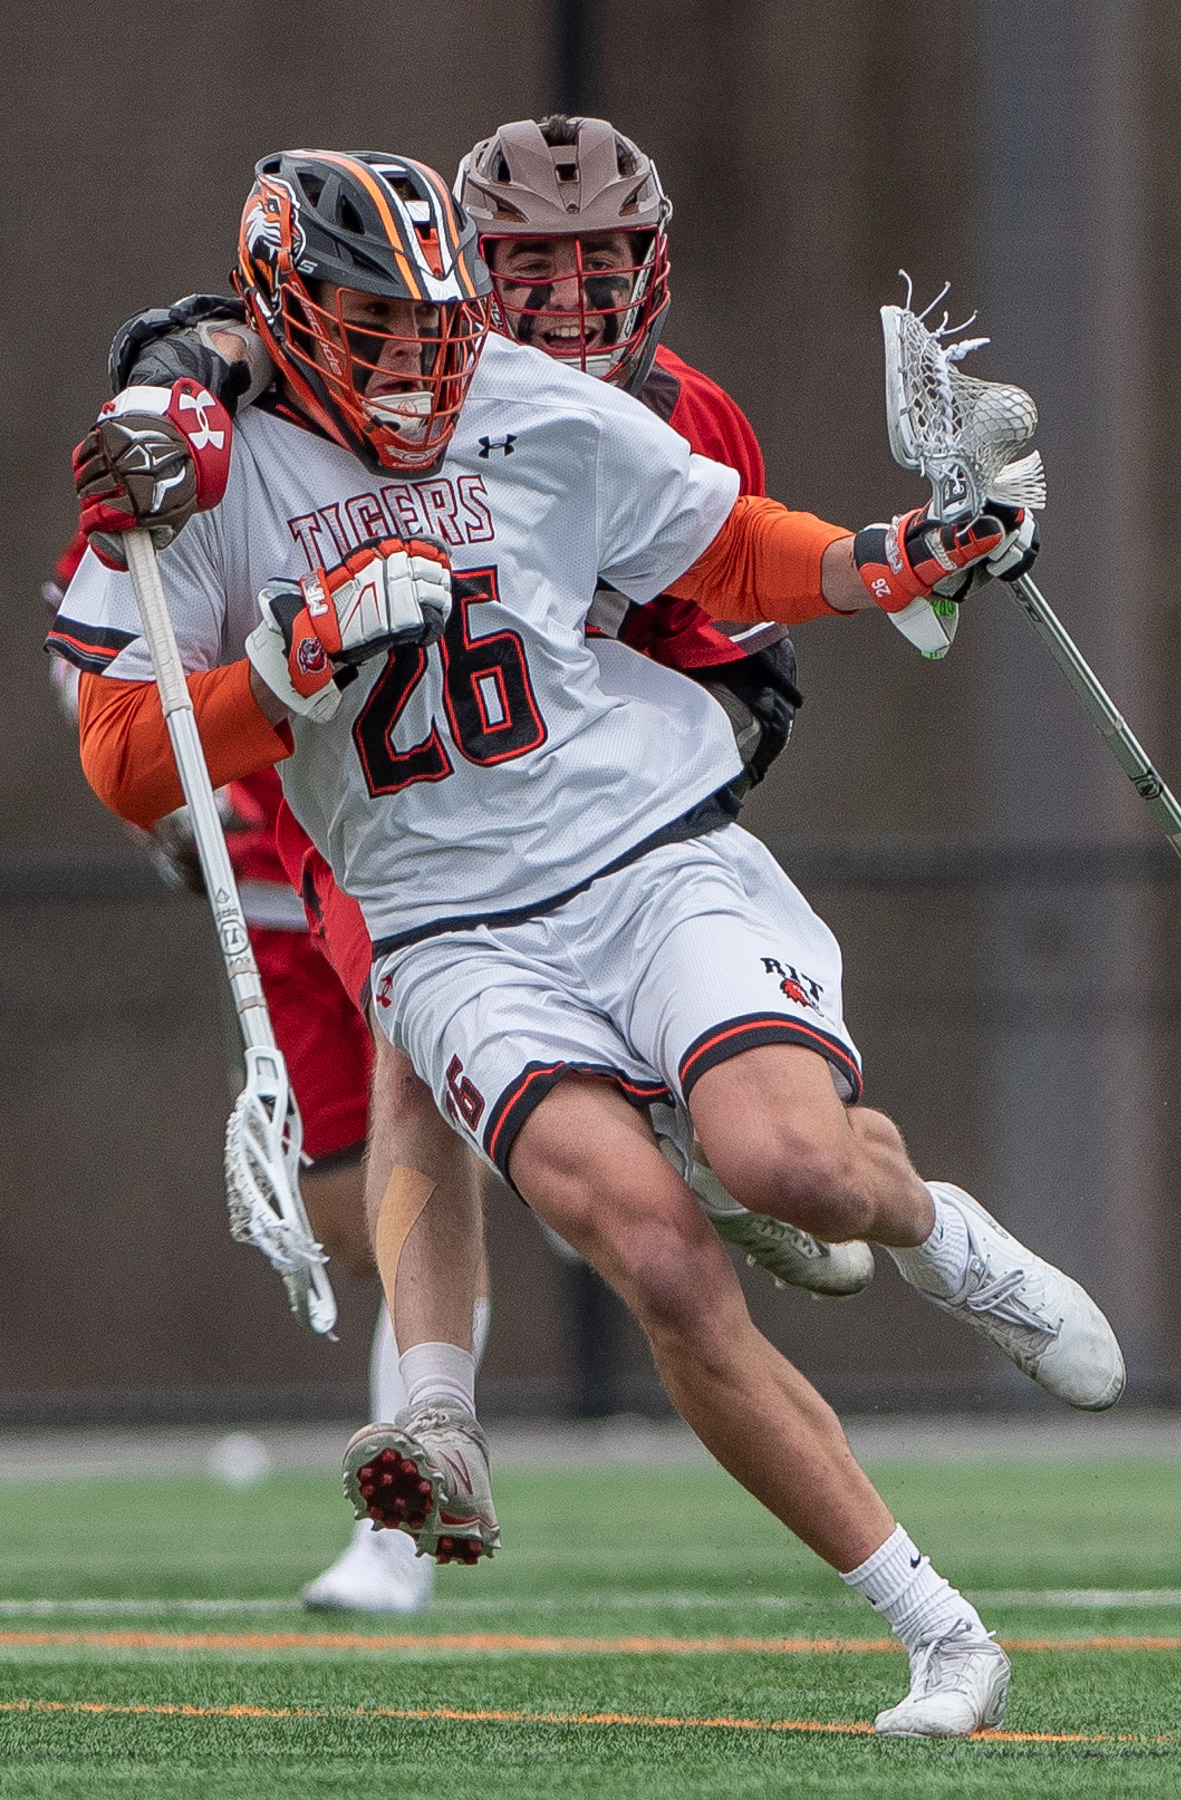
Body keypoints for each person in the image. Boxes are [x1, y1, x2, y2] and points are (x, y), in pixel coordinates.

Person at [55, 147, 1124, 1737]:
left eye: (435, 324)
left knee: (797, 1171)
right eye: (375, 328)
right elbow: (125, 755)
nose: (425, 364)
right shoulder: (202, 469)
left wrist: (899, 554)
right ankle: (939, 1629)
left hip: (641, 851)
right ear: (283, 312)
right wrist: (289, 662)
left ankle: (936, 1227)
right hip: (447, 926)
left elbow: (726, 546)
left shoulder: (520, 393)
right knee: (659, 1251)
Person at [71, 118, 873, 1615]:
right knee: (343, 1192)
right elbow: (121, 699)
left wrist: (873, 570)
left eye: (603, 263)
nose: (569, 304)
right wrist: (183, 378)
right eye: (535, 269)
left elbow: (736, 621)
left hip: (549, 832)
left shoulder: (659, 414)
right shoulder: (233, 422)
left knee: (443, 1045)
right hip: (339, 811)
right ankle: (454, 1395)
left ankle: (442, 1427)